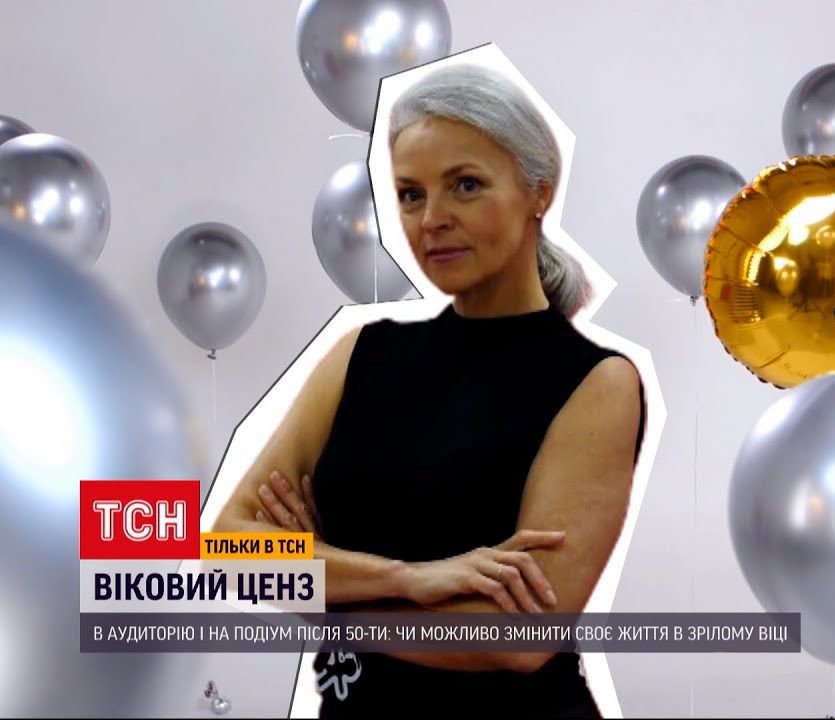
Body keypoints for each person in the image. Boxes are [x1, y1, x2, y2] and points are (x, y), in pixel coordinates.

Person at [212, 62, 647, 718]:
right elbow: (230, 544)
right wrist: (410, 579)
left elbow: (519, 637)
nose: (432, 219)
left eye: (465, 185)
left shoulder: (597, 382)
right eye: (410, 195)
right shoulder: (361, 352)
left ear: (540, 192)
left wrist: (326, 588)